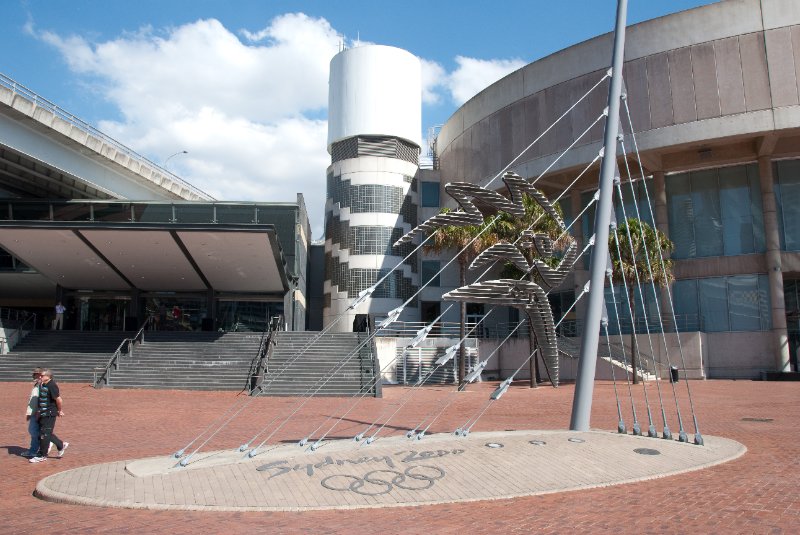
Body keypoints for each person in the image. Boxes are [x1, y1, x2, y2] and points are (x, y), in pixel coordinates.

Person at [29, 369, 68, 463]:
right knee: (45, 432)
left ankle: (42, 455)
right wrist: (39, 411)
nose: (40, 377)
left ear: (48, 376)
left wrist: (59, 410)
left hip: (49, 413)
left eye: (42, 376)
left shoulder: (52, 385)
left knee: (44, 434)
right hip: (43, 412)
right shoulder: (43, 384)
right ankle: (61, 445)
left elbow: (59, 399)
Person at [22, 368, 49, 458]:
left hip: (37, 412)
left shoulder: (42, 385)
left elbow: (41, 399)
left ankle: (38, 448)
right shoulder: (37, 384)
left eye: (38, 374)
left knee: (34, 431)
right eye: (35, 374)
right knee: (35, 431)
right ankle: (44, 445)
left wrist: (38, 411)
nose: (36, 376)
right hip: (34, 411)